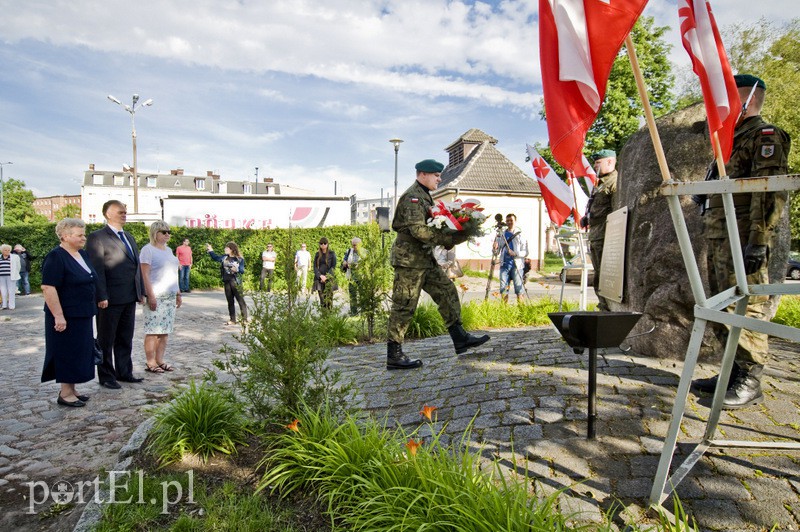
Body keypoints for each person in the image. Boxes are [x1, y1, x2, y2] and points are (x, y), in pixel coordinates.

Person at [692, 74, 791, 409]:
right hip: (720, 236)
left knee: (747, 307)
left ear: (746, 99)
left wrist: (759, 240)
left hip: (744, 238)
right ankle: (732, 373)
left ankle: (750, 379)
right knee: (722, 305)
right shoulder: (730, 140)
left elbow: (769, 189)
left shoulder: (765, 135)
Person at [387, 159, 490, 370]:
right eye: (436, 175)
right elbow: (418, 230)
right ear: (423, 174)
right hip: (409, 262)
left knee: (446, 291)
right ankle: (394, 355)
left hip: (424, 259)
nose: (439, 178)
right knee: (404, 305)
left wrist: (456, 231)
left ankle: (460, 338)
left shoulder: (425, 196)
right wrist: (447, 238)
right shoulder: (413, 198)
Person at [86, 200, 145, 389]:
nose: (124, 214)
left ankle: (124, 371)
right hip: (109, 298)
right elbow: (96, 269)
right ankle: (106, 376)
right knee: (106, 339)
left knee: (125, 337)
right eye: (120, 211)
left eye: (125, 211)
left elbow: (135, 267)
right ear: (107, 214)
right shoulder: (97, 237)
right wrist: (101, 295)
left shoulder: (128, 236)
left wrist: (140, 291)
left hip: (129, 296)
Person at [40, 219, 99, 407]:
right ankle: (65, 393)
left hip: (82, 313)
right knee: (67, 352)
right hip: (65, 316)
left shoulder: (81, 254)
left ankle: (72, 389)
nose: (84, 237)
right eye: (79, 234)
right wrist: (58, 315)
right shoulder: (56, 257)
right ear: (65, 236)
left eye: (84, 234)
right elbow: (48, 287)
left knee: (79, 352)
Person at [140, 221, 181, 374]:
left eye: (169, 231)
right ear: (155, 233)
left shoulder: (169, 250)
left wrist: (178, 293)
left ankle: (160, 359)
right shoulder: (148, 250)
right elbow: (144, 275)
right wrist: (150, 295)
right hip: (156, 295)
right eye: (164, 232)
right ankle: (150, 362)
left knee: (164, 331)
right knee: (153, 330)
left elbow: (173, 274)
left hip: (169, 295)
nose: (167, 234)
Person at [580, 149, 617, 311]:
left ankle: (608, 307)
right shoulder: (600, 183)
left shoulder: (614, 182)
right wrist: (587, 218)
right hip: (596, 234)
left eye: (598, 162)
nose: (595, 166)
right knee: (598, 273)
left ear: (609, 162)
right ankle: (603, 305)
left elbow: (617, 210)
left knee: (604, 273)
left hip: (606, 235)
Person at [207, 241, 248, 325]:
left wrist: (236, 270)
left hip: (236, 282)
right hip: (227, 281)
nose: (225, 249)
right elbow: (216, 258)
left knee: (240, 300)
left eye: (227, 248)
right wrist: (211, 250)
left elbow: (242, 270)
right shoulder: (224, 257)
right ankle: (232, 320)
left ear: (231, 249)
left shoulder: (239, 259)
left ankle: (245, 319)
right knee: (230, 301)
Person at [492, 213, 528, 302]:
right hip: (504, 266)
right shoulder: (502, 235)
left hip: (517, 266)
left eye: (511, 220)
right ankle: (505, 310)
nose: (509, 222)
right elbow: (496, 252)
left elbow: (526, 252)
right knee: (503, 290)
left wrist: (515, 253)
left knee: (519, 290)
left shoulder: (520, 235)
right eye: (507, 220)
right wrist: (494, 248)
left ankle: (521, 311)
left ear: (515, 221)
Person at [312, 237, 338, 309]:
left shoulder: (332, 254)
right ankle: (323, 316)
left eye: (324, 243)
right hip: (319, 279)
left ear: (327, 244)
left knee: (329, 299)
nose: (323, 245)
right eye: (321, 243)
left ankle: (329, 317)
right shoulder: (317, 254)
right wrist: (320, 276)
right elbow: (315, 267)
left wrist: (326, 277)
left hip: (329, 278)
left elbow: (333, 266)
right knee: (322, 299)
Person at [342, 237, 363, 314]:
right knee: (352, 294)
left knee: (362, 294)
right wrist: (345, 263)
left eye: (356, 245)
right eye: (353, 245)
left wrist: (360, 265)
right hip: (351, 275)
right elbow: (344, 260)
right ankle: (354, 312)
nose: (354, 246)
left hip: (361, 276)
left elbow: (367, 263)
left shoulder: (364, 251)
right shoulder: (349, 251)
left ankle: (364, 311)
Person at [0, 244, 21, 310]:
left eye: (9, 250)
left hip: (11, 276)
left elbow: (18, 266)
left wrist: (16, 273)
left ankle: (11, 305)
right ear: (2, 251)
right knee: (3, 291)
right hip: (1, 276)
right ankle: (4, 305)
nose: (7, 251)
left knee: (11, 291)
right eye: (5, 250)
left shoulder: (15, 257)